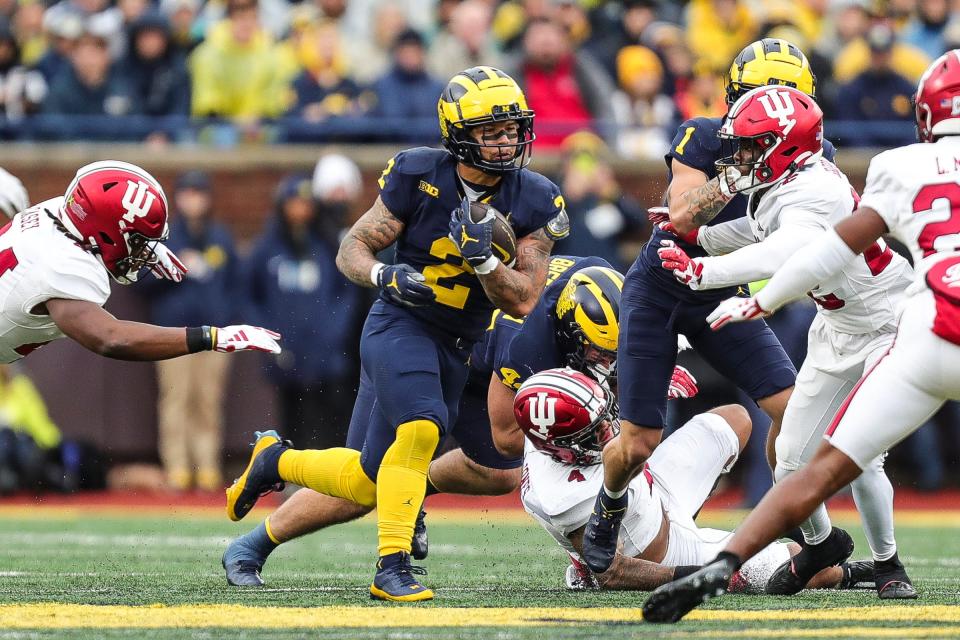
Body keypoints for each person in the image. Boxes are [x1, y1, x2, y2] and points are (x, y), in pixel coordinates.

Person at [224, 66, 569, 602]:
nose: (505, 143)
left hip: (466, 341)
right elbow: (352, 249)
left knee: (367, 481)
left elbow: (523, 297)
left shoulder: (536, 198)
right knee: (423, 427)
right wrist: (383, 273)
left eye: (510, 130)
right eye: (490, 131)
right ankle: (392, 567)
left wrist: (483, 262)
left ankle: (275, 462)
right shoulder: (416, 173)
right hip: (402, 324)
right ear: (458, 134)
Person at [641, 50, 960, 624]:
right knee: (790, 456)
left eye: (748, 146)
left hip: (888, 321)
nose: (737, 157)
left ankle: (889, 565)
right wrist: (703, 241)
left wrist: (711, 275)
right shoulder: (786, 179)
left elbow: (793, 252)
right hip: (835, 325)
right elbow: (758, 228)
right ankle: (823, 545)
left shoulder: (817, 190)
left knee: (862, 454)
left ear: (784, 145)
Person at [222, 257, 679, 587]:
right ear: (569, 333)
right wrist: (591, 429)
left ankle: (412, 488)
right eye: (600, 354)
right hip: (421, 352)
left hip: (472, 361)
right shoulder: (527, 341)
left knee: (493, 477)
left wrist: (643, 370)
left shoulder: (601, 289)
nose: (607, 363)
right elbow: (505, 436)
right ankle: (267, 500)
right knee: (371, 481)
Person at [581, 38, 828, 576]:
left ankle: (780, 511)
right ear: (738, 101)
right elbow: (684, 217)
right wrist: (732, 178)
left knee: (791, 409)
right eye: (766, 98)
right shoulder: (704, 137)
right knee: (639, 441)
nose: (776, 115)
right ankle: (610, 501)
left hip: (724, 292)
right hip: (663, 289)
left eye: (788, 100)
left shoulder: (815, 158)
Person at [515, 368, 872, 593]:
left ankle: (699, 523)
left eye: (606, 415)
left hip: (653, 491)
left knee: (734, 420)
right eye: (598, 430)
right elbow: (614, 572)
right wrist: (705, 572)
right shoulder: (561, 495)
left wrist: (650, 385)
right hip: (660, 549)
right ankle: (851, 576)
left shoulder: (560, 427)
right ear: (564, 449)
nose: (611, 427)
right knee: (801, 563)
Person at [0, 160, 281, 366]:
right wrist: (210, 337)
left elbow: (86, 243)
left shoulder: (59, 211)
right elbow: (110, 338)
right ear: (107, 231)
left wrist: (139, 243)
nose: (144, 250)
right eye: (138, 240)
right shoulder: (62, 266)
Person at [243, 173, 362, 449]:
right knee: (290, 414)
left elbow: (346, 292)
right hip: (284, 350)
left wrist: (334, 330)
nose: (300, 210)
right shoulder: (267, 248)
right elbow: (250, 295)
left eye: (306, 204)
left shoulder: (327, 245)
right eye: (294, 203)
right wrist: (265, 335)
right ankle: (291, 476)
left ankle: (326, 481)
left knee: (328, 414)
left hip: (325, 352)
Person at [144, 170, 238, 492]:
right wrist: (177, 269)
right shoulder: (165, 238)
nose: (194, 200)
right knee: (175, 399)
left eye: (199, 193)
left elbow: (235, 284)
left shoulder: (220, 237)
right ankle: (177, 468)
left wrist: (228, 318)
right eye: (188, 192)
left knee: (209, 400)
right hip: (173, 334)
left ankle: (207, 467)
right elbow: (142, 282)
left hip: (214, 332)